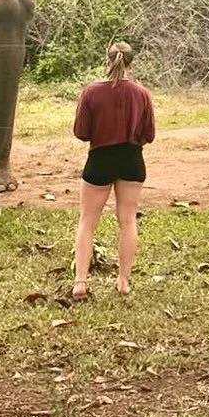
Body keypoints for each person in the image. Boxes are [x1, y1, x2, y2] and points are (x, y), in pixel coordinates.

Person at [72, 41, 155, 299]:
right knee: (127, 220)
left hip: (100, 158)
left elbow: (81, 132)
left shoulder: (91, 91)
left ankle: (80, 283)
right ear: (132, 63)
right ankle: (123, 281)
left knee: (87, 221)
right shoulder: (142, 94)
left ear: (107, 61)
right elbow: (148, 134)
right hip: (131, 158)